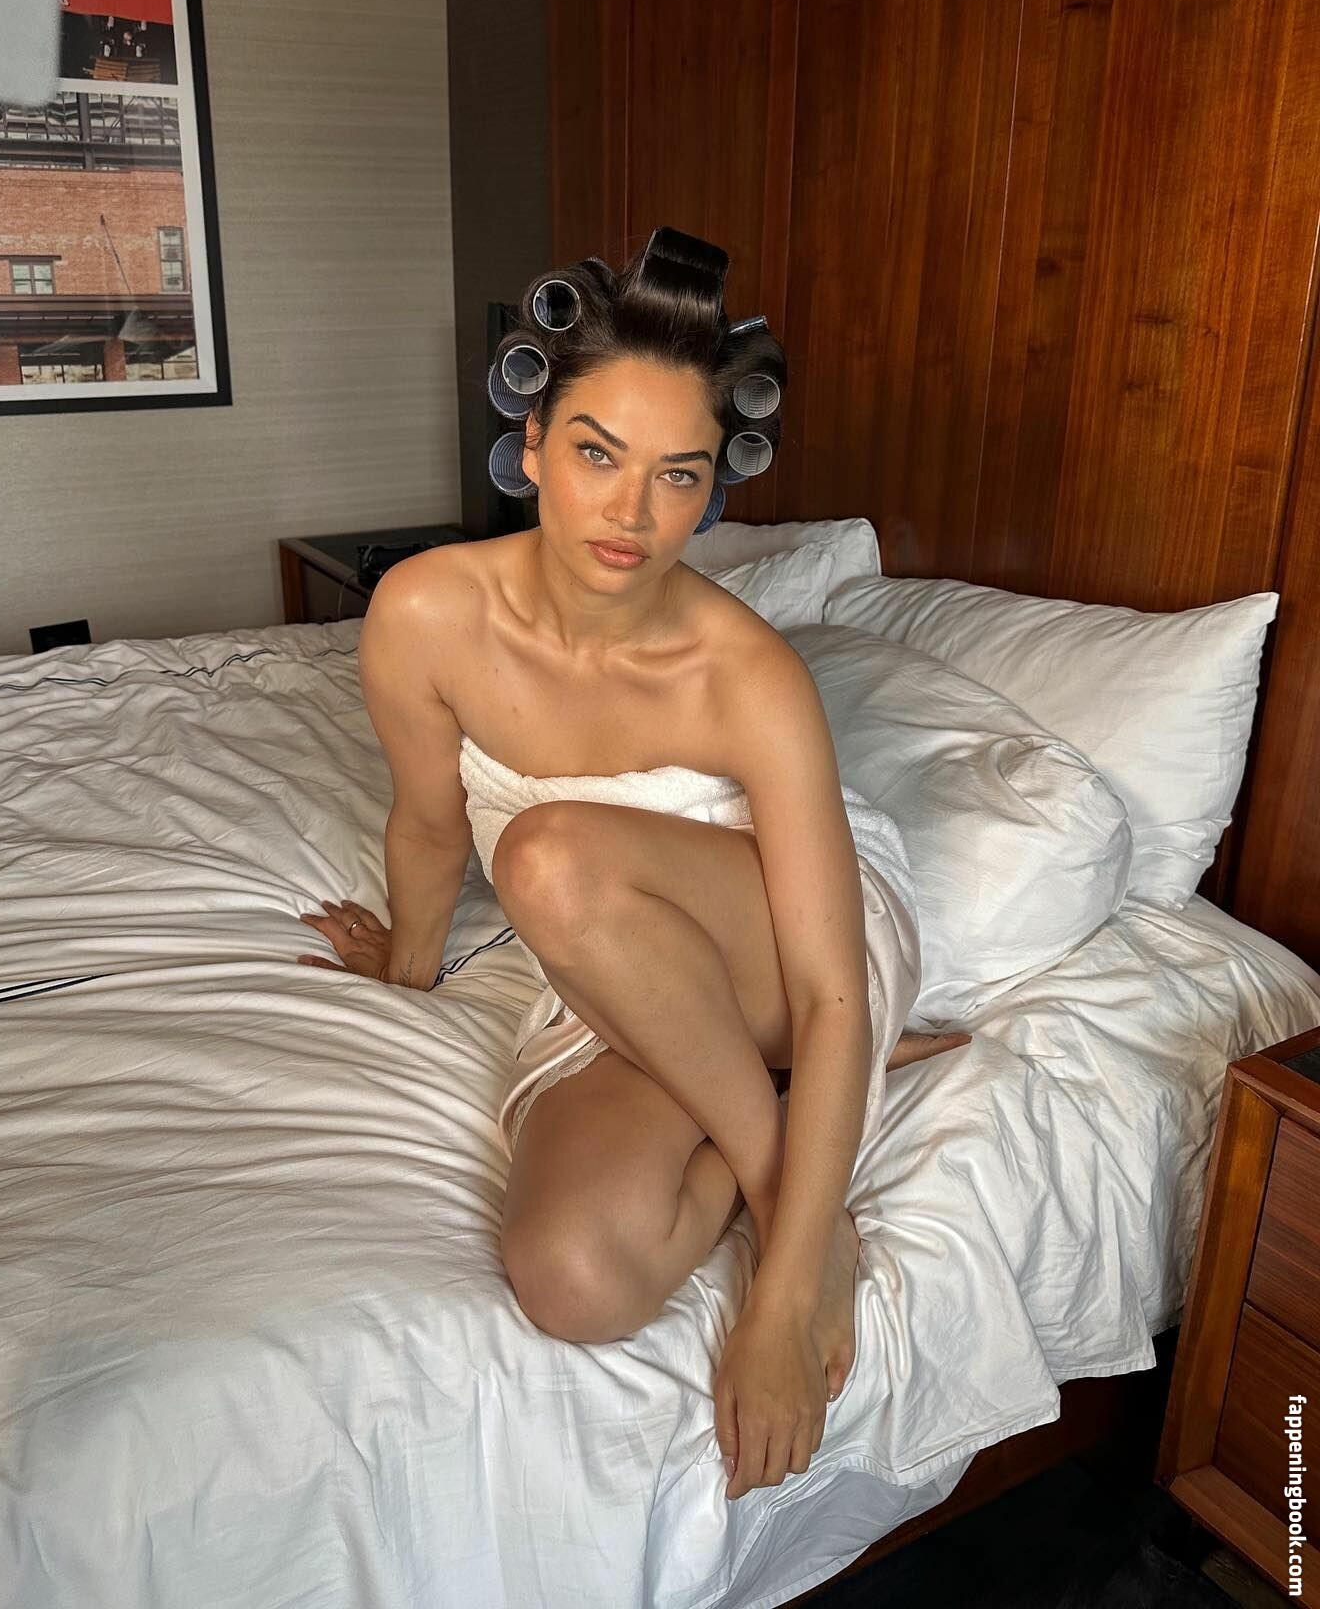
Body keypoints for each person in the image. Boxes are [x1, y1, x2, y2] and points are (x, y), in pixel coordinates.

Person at [295, 226, 970, 1502]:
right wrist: (408, 971)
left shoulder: (747, 674)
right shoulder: (425, 611)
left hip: (787, 951)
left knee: (548, 857)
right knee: (574, 1280)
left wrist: (785, 1295)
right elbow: (431, 825)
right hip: (611, 964)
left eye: (678, 475)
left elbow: (830, 992)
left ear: (712, 491)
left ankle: (795, 1204)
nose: (631, 513)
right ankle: (773, 1133)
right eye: (598, 454)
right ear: (532, 444)